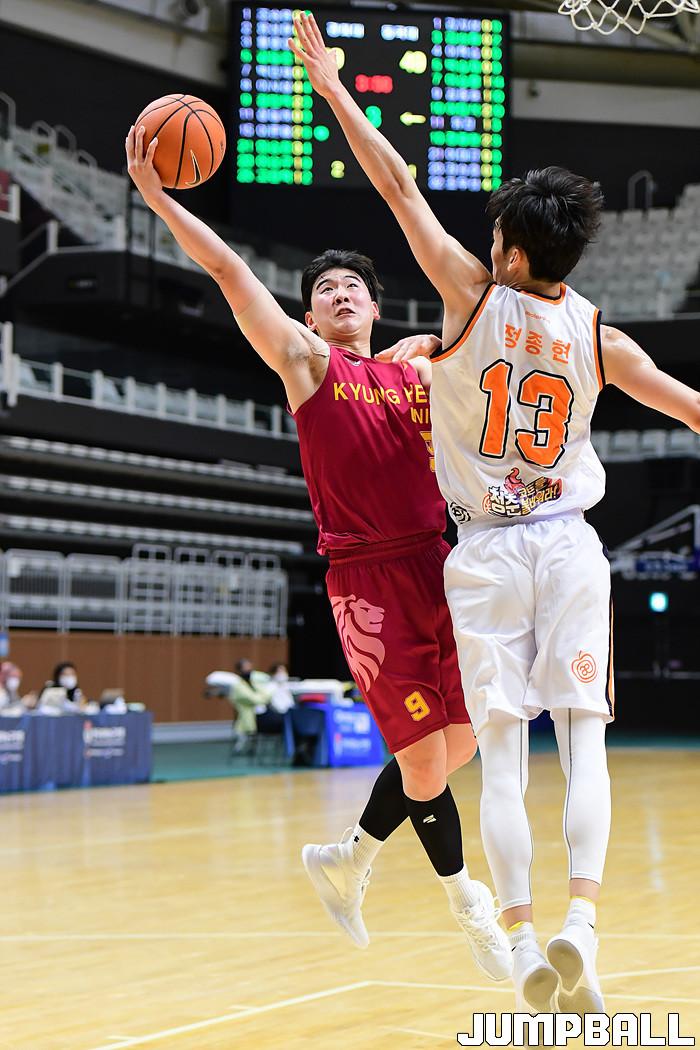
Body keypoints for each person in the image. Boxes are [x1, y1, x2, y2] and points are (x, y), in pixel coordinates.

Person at [290, 12, 700, 1014]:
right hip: (568, 546)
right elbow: (693, 409)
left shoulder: (473, 297)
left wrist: (336, 88)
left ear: (510, 254)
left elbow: (397, 185)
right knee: (586, 744)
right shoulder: (602, 339)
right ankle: (582, 928)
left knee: (503, 760)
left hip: (481, 553)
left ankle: (519, 943)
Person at [126, 126, 511, 981]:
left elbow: (479, 347)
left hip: (441, 567)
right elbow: (229, 271)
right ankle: (469, 906)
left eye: (353, 288)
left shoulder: (417, 373)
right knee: (423, 762)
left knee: (458, 748)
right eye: (325, 289)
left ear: (376, 310)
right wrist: (158, 199)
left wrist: (433, 348)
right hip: (368, 578)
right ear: (309, 316)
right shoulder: (307, 365)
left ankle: (350, 858)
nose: (340, 294)